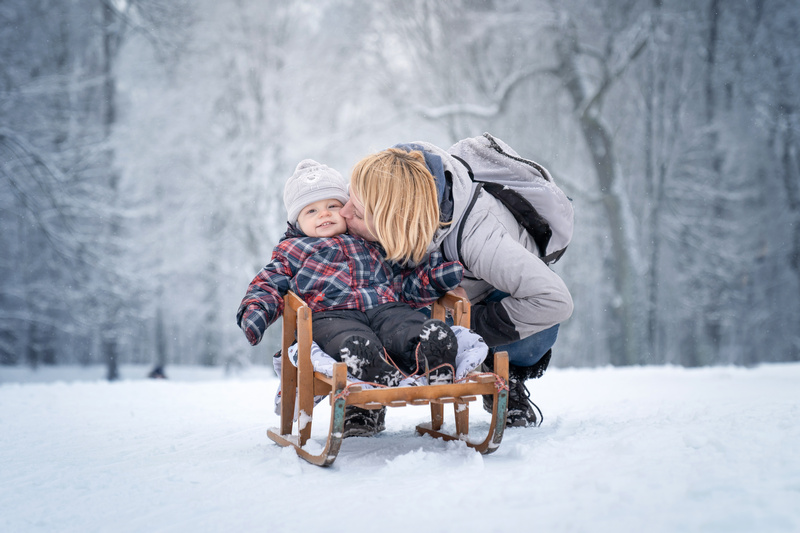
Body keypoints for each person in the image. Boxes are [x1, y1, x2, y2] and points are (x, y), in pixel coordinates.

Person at [340, 145, 574, 428]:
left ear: (395, 223)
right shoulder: (386, 182)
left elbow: (555, 301)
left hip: (491, 299)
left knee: (537, 333)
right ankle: (371, 392)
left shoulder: (480, 237)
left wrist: (467, 330)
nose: (343, 212)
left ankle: (502, 371)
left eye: (359, 213)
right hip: (433, 298)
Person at [236, 159, 464, 436]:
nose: (325, 214)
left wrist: (435, 277)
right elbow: (268, 283)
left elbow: (403, 282)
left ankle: (430, 349)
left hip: (384, 307)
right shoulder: (292, 250)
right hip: (330, 314)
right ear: (297, 221)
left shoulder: (370, 241)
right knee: (345, 336)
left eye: (332, 206)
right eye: (312, 210)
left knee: (405, 324)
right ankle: (364, 360)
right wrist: (256, 312)